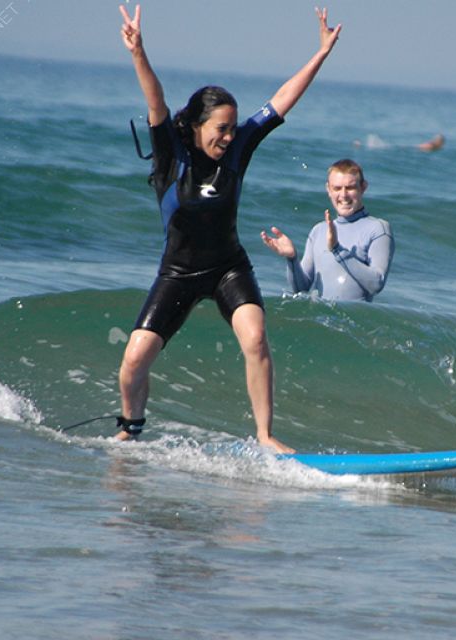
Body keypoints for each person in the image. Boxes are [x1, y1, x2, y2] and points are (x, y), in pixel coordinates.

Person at [114, 4, 341, 453]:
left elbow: (281, 101)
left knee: (256, 338)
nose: (230, 137)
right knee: (134, 360)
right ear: (197, 127)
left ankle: (266, 435)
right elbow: (156, 102)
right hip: (177, 272)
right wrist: (138, 52)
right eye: (221, 129)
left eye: (234, 129)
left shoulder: (238, 151)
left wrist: (321, 54)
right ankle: (130, 427)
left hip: (228, 268)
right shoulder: (170, 154)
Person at [261, 159, 393, 302]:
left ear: (363, 187)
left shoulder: (378, 229)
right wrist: (292, 259)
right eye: (337, 188)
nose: (343, 195)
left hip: (354, 321)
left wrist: (337, 250)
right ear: (328, 189)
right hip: (321, 319)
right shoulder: (319, 230)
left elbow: (376, 284)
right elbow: (301, 289)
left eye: (350, 188)